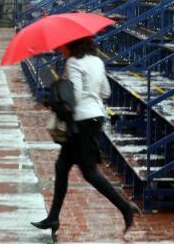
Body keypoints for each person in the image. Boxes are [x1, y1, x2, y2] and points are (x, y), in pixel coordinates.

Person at [31, 37, 140, 240]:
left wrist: (59, 92)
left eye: (63, 44)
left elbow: (76, 97)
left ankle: (126, 208)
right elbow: (105, 91)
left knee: (89, 172)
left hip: (81, 122)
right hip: (95, 116)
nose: (60, 47)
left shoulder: (73, 62)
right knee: (62, 167)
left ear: (71, 44)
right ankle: (53, 217)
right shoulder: (97, 61)